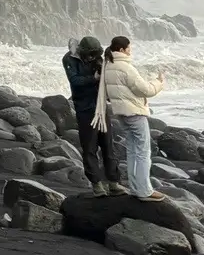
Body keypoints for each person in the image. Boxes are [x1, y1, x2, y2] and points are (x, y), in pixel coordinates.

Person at [96, 35, 163, 199]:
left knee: (132, 151)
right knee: (143, 152)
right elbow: (145, 90)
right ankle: (144, 190)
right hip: (135, 113)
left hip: (121, 114)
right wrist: (159, 82)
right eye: (129, 49)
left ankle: (134, 188)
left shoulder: (108, 65)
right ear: (121, 49)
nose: (130, 51)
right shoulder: (125, 67)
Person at [63, 35, 121, 194]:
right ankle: (96, 184)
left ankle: (114, 182)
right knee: (90, 147)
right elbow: (74, 81)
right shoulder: (69, 59)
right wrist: (94, 78)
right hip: (84, 108)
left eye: (95, 55)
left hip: (101, 106)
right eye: (90, 55)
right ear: (82, 51)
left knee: (108, 146)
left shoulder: (98, 58)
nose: (92, 58)